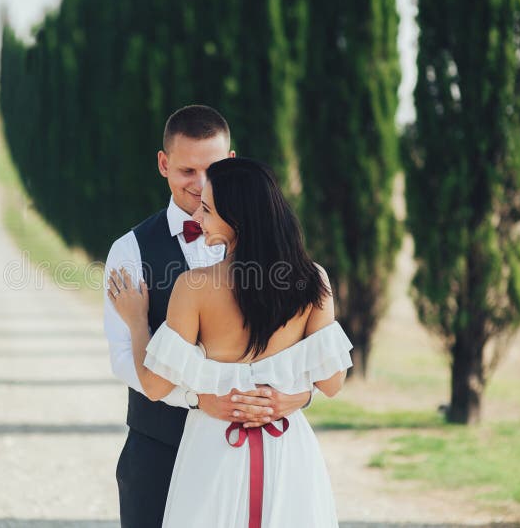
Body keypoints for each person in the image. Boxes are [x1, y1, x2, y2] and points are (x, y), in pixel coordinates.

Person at [107, 157, 353, 527]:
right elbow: (332, 384)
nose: (199, 219)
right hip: (287, 448)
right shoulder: (313, 279)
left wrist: (138, 321)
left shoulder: (193, 287)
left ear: (236, 218)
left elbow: (155, 386)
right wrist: (293, 398)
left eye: (207, 209)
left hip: (214, 449)